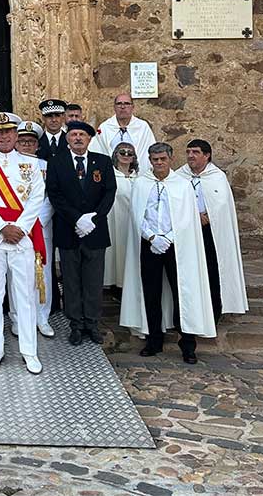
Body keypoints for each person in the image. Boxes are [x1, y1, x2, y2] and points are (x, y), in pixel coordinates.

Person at [120, 142, 217, 364]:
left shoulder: (182, 185)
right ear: (150, 160)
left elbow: (186, 218)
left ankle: (187, 342)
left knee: (181, 290)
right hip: (149, 243)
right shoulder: (142, 183)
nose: (159, 163)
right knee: (151, 291)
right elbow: (136, 215)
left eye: (163, 159)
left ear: (170, 159)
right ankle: (154, 338)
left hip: (177, 244)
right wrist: (152, 237)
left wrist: (168, 238)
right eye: (155, 160)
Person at [0, 112, 46, 374]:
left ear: (16, 135)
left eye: (9, 132)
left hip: (22, 239)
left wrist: (21, 228)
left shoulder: (32, 164)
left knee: (25, 296)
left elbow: (37, 197)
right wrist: (3, 228)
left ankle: (29, 351)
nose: (4, 136)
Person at [46, 121, 116, 346]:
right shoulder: (57, 162)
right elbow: (55, 194)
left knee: (94, 280)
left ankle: (92, 323)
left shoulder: (102, 162)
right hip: (69, 230)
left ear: (89, 139)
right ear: (67, 139)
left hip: (95, 232)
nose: (77, 138)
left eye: (82, 135)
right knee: (71, 280)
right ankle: (76, 324)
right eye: (74, 134)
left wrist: (93, 220)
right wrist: (77, 219)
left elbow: (109, 192)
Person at [177, 139, 248, 322]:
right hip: (186, 231)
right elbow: (174, 201)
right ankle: (188, 314)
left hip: (210, 231)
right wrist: (194, 215)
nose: (190, 156)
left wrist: (207, 215)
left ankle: (213, 313)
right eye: (188, 152)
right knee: (188, 271)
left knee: (212, 270)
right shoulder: (179, 175)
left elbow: (221, 205)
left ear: (206, 155)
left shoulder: (217, 177)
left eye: (195, 152)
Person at [10, 120, 55, 338]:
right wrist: (21, 223)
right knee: (15, 274)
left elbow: (52, 196)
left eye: (31, 142)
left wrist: (36, 221)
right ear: (16, 143)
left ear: (37, 145)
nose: (26, 145)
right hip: (16, 227)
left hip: (40, 226)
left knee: (42, 273)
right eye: (22, 141)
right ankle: (17, 318)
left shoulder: (46, 166)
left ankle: (42, 317)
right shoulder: (8, 166)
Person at [104, 142, 139, 291]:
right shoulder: (110, 175)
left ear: (134, 158)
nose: (126, 155)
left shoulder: (139, 177)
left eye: (129, 153)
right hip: (115, 220)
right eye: (122, 152)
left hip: (134, 222)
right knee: (115, 252)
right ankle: (114, 284)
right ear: (115, 155)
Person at [91, 93, 156, 170]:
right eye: (119, 104)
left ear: (133, 107)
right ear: (114, 107)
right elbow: (96, 149)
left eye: (127, 104)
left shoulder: (142, 127)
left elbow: (150, 150)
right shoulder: (105, 127)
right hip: (112, 173)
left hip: (138, 173)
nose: (123, 107)